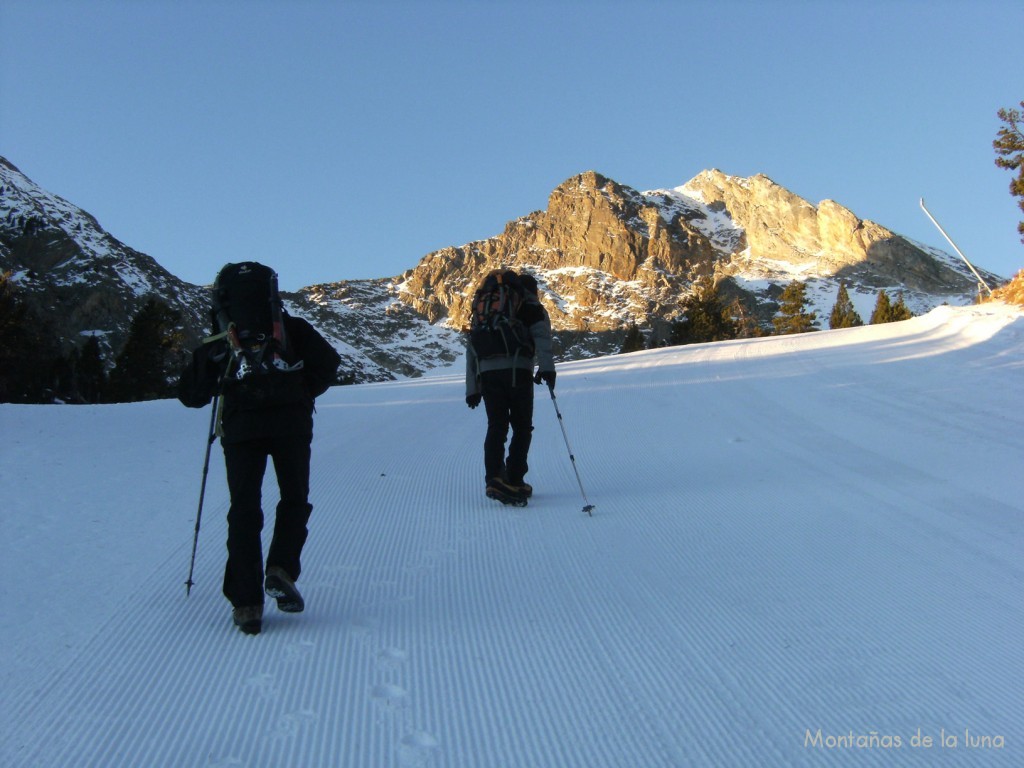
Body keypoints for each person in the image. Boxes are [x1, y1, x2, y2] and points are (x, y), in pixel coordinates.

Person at [178, 262, 341, 636]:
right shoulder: (290, 328)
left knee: (244, 509)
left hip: (241, 430)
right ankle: (281, 568)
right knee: (294, 498)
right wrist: (301, 393)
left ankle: (246, 604)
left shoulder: (223, 336)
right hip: (291, 425)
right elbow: (329, 363)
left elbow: (190, 395)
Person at [465, 270, 556, 505]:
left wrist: (472, 388)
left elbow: (472, 346)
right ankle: (515, 479)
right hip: (517, 370)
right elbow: (542, 337)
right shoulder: (530, 306)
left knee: (496, 424)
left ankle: (494, 477)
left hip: (487, 373)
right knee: (522, 426)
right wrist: (547, 369)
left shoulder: (485, 307)